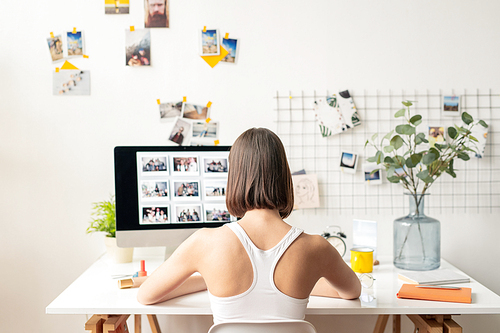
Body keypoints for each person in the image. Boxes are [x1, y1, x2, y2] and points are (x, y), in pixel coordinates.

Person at [137, 128, 361, 324]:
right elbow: (352, 291)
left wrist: (209, 280)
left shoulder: (204, 243)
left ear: (235, 178)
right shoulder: (316, 247)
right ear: (284, 178)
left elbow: (146, 295)